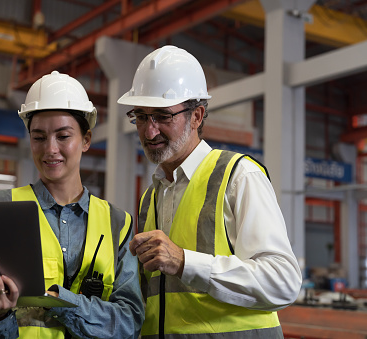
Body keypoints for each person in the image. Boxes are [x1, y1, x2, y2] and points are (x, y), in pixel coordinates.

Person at [118, 46, 302, 338]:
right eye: (141, 117)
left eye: (163, 117)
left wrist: (185, 262)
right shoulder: (150, 197)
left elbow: (283, 282)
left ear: (197, 116)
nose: (149, 132)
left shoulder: (239, 176)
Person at [0, 71, 144, 338]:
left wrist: (59, 300)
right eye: (39, 137)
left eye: (63, 136)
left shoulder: (117, 223)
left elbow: (128, 322)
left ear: (85, 140)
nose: (50, 149)